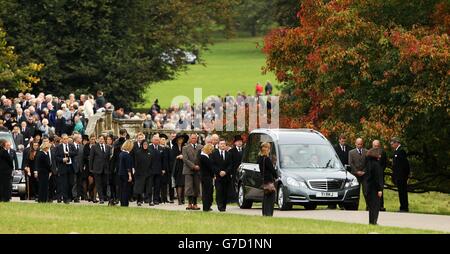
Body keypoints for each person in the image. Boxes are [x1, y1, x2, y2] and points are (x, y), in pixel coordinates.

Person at [330, 134, 352, 209]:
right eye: (341, 140)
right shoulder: (334, 148)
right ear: (339, 140)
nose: (343, 141)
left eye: (344, 140)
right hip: (336, 171)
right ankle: (332, 204)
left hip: (346, 171)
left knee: (344, 187)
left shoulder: (349, 148)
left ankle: (342, 204)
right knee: (334, 187)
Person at [182, 134, 203, 210]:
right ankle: (189, 203)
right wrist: (193, 166)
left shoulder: (200, 147)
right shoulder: (185, 148)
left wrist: (198, 166)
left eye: (195, 138)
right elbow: (185, 159)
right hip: (188, 170)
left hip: (198, 171)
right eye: (192, 138)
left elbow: (202, 158)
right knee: (189, 187)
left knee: (196, 187)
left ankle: (195, 203)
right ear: (190, 139)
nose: (194, 139)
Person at [211, 139, 232, 212]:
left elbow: (230, 165)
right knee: (219, 191)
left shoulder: (228, 154)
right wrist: (219, 171)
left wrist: (225, 172)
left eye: (224, 144)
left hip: (226, 176)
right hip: (218, 176)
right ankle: (219, 205)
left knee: (225, 191)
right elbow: (213, 165)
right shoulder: (214, 153)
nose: (223, 145)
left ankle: (224, 205)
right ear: (218, 145)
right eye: (221, 144)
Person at [89, 135, 111, 204]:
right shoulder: (94, 147)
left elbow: (108, 159)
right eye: (100, 139)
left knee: (104, 183)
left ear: (104, 140)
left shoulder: (108, 147)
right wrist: (91, 168)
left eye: (102, 139)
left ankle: (104, 196)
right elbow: (91, 158)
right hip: (97, 169)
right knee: (98, 184)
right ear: (98, 140)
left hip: (105, 169)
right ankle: (101, 198)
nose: (101, 140)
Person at [55, 134, 77, 204]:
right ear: (62, 139)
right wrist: (62, 159)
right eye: (64, 139)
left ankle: (69, 196)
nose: (66, 140)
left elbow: (75, 153)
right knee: (64, 183)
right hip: (63, 167)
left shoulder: (71, 145)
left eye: (67, 139)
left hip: (71, 166)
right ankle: (65, 198)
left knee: (71, 183)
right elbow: (55, 157)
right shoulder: (58, 147)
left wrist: (68, 153)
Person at [390, 137, 410, 212]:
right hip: (398, 175)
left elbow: (405, 164)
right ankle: (402, 206)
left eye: (392, 144)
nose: (392, 145)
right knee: (400, 192)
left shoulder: (401, 151)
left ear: (396, 143)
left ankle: (404, 207)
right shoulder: (396, 151)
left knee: (403, 192)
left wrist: (405, 175)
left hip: (402, 176)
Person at [258, 142, 277, 216]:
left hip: (263, 180)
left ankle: (264, 213)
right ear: (267, 149)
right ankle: (269, 213)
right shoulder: (267, 159)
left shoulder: (260, 158)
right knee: (271, 197)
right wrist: (276, 176)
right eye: (268, 148)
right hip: (269, 180)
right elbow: (272, 170)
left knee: (265, 197)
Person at [365, 148, 384, 225]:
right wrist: (380, 189)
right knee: (375, 206)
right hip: (375, 188)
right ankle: (374, 222)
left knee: (371, 207)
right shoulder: (376, 165)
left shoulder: (368, 163)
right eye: (379, 154)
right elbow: (377, 178)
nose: (380, 155)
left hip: (369, 187)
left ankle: (371, 221)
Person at [349, 138, 368, 209]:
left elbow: (368, 163)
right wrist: (357, 171)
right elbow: (350, 163)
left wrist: (364, 171)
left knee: (366, 191)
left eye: (361, 144)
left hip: (364, 175)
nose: (359, 145)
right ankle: (355, 207)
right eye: (358, 144)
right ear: (355, 144)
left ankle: (368, 207)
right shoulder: (351, 152)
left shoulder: (366, 151)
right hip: (355, 175)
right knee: (356, 192)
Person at [148, 134, 165, 206]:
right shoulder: (149, 148)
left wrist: (163, 169)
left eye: (158, 140)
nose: (157, 141)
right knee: (150, 186)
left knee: (157, 186)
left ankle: (156, 199)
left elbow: (163, 160)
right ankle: (149, 199)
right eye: (155, 140)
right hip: (150, 170)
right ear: (152, 140)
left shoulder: (161, 148)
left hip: (158, 170)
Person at [171, 133, 188, 205]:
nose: (180, 140)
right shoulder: (174, 147)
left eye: (182, 139)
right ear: (177, 140)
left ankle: (183, 199)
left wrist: (183, 156)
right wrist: (178, 156)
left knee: (183, 183)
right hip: (177, 166)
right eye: (179, 139)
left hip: (184, 166)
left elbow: (187, 155)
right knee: (179, 184)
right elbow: (172, 156)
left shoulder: (185, 146)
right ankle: (179, 200)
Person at [133, 141, 151, 206]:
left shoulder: (150, 152)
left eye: (146, 144)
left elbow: (152, 162)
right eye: (144, 144)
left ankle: (149, 200)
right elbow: (136, 163)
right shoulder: (138, 153)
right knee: (139, 188)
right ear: (142, 145)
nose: (145, 145)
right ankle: (139, 200)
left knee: (148, 187)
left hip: (148, 173)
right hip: (140, 173)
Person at [228, 135, 244, 203]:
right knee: (234, 184)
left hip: (243, 171)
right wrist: (231, 172)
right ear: (235, 143)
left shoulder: (245, 150)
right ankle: (234, 198)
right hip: (234, 171)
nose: (239, 143)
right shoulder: (231, 151)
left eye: (240, 141)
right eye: (238, 141)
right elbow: (230, 162)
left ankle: (242, 198)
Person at [372, 140, 387, 211]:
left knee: (380, 190)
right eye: (375, 146)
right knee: (371, 190)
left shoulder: (383, 152)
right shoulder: (369, 152)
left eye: (377, 146)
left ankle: (380, 206)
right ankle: (370, 206)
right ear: (372, 146)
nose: (376, 147)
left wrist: (380, 171)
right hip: (372, 175)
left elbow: (384, 163)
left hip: (380, 174)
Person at [118, 140, 134, 207]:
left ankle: (122, 203)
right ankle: (125, 203)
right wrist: (130, 175)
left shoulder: (121, 154)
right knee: (126, 189)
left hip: (120, 173)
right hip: (125, 174)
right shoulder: (127, 155)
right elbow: (128, 167)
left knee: (121, 189)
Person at [200, 144, 215, 212]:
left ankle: (208, 206)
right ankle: (206, 207)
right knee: (206, 192)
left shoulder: (206, 156)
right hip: (206, 177)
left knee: (208, 192)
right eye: (211, 150)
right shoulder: (203, 157)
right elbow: (210, 167)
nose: (211, 152)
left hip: (207, 176)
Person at [159, 134, 172, 203]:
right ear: (160, 140)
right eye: (162, 139)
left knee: (166, 184)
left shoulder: (167, 148)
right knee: (161, 184)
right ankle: (161, 198)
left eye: (165, 140)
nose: (164, 141)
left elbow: (170, 159)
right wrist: (162, 169)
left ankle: (165, 198)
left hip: (167, 169)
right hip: (161, 169)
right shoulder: (158, 148)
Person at [72, 133, 84, 203]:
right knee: (74, 182)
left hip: (80, 167)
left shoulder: (82, 146)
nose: (81, 139)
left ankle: (78, 196)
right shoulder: (71, 146)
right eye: (80, 138)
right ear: (76, 139)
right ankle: (74, 196)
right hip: (73, 167)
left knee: (79, 182)